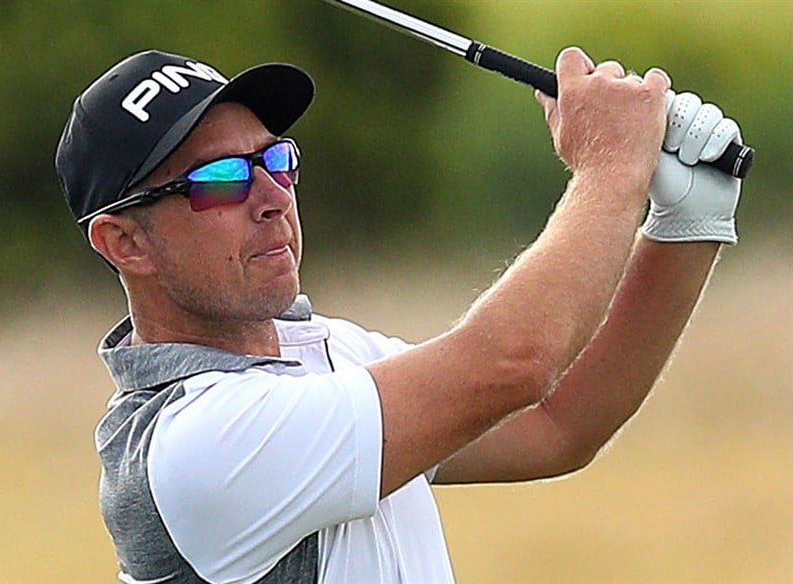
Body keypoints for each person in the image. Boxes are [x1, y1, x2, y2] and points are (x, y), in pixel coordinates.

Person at [54, 46, 743, 583]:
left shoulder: (320, 352)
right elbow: (513, 364)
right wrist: (610, 168)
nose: (270, 195)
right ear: (125, 242)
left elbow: (555, 424)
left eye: (276, 159)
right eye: (219, 181)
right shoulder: (191, 446)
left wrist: (688, 225)